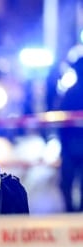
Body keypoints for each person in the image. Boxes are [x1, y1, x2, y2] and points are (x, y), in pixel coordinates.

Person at [57, 55, 83, 212]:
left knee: (68, 182)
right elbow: (62, 120)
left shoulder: (70, 92)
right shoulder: (71, 93)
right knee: (68, 182)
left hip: (71, 146)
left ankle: (73, 212)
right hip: (71, 146)